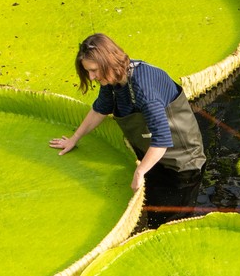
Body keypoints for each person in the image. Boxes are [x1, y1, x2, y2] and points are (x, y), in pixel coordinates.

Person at [48, 34, 207, 195]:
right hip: (151, 158)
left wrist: (139, 172)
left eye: (93, 70)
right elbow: (99, 110)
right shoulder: (112, 78)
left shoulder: (144, 91)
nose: (91, 77)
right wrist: (74, 139)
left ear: (108, 62)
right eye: (88, 71)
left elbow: (162, 140)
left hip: (182, 166)